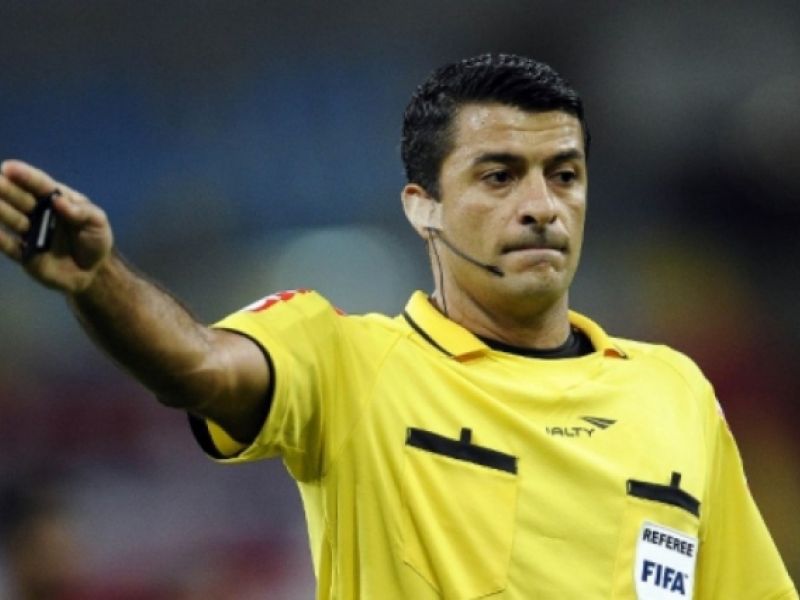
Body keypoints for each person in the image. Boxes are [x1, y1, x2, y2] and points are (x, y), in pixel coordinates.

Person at [0, 54, 795, 599]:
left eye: (564, 175)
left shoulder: (674, 392)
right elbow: (197, 365)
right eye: (498, 176)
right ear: (423, 208)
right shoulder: (349, 362)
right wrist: (99, 280)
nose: (541, 206)